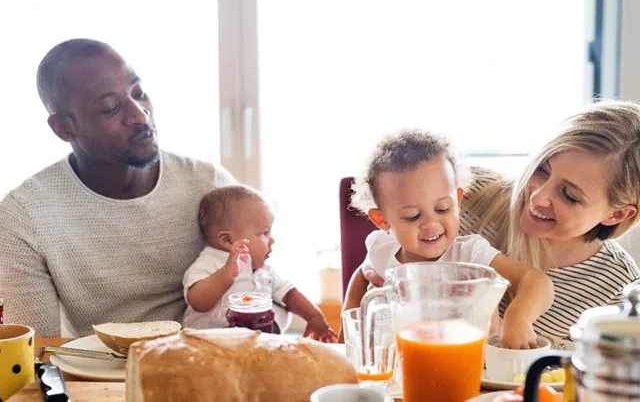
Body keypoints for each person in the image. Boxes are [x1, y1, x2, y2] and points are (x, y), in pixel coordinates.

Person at [0, 38, 236, 337]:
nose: (140, 115)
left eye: (139, 93)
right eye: (110, 108)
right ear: (64, 128)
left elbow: (256, 296)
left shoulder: (210, 185)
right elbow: (35, 351)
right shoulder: (24, 217)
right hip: (93, 377)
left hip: (207, 364)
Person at [364, 101, 640, 345]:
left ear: (616, 215)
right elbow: (390, 196)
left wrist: (517, 318)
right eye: (542, 169)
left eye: (569, 195)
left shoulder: (620, 289)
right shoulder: (465, 198)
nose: (537, 197)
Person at [343, 129, 554, 349]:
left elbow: (537, 281)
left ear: (458, 201)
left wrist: (518, 318)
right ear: (382, 219)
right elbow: (360, 278)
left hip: (469, 368)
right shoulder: (382, 249)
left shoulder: (470, 254)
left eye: (443, 209)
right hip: (402, 369)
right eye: (413, 216)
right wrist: (346, 338)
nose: (431, 224)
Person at [183, 185, 337, 342]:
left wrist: (314, 316)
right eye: (264, 233)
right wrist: (227, 273)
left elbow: (290, 295)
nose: (272, 240)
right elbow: (198, 302)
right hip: (208, 341)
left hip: (251, 340)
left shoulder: (264, 269)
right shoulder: (209, 262)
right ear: (227, 240)